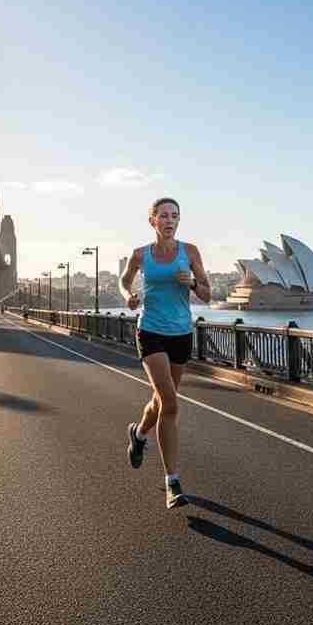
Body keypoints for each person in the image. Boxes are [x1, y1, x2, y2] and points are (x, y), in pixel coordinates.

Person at [119, 197, 211, 509]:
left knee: (160, 401)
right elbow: (124, 280)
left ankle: (139, 433)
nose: (169, 220)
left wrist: (194, 282)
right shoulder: (141, 254)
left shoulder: (191, 252)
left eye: (174, 215)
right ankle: (172, 482)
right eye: (163, 215)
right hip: (151, 331)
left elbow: (208, 295)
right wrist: (128, 296)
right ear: (153, 221)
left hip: (181, 334)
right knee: (171, 403)